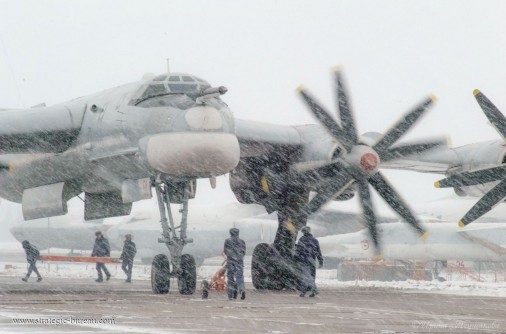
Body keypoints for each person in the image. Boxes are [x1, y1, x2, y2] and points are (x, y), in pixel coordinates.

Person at [295, 226, 323, 297]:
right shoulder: (315, 240)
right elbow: (318, 252)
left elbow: (298, 251)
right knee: (312, 276)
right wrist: (320, 261)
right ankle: (311, 291)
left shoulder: (302, 240)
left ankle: (307, 291)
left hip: (304, 260)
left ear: (303, 232)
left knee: (306, 275)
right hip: (312, 260)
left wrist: (296, 259)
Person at [223, 227, 246, 300]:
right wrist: (239, 257)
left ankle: (230, 295)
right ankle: (241, 289)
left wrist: (230, 256)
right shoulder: (242, 241)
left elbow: (225, 251)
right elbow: (243, 252)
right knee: (240, 277)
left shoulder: (227, 241)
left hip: (231, 261)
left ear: (230, 233)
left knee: (230, 278)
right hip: (239, 261)